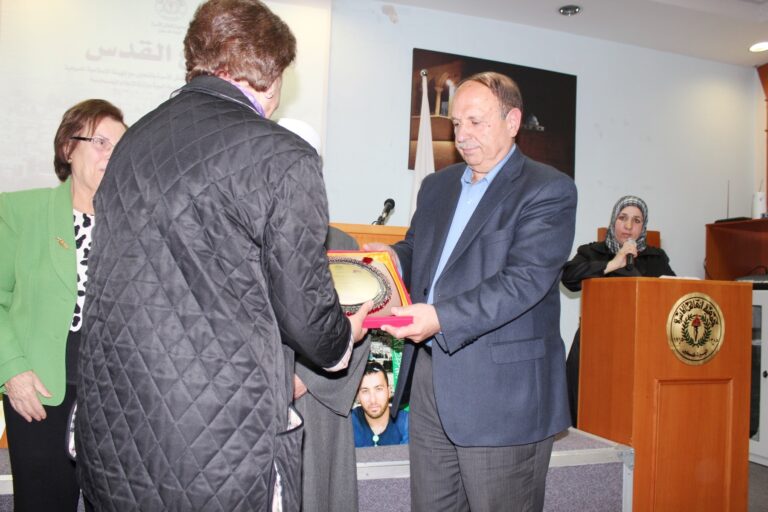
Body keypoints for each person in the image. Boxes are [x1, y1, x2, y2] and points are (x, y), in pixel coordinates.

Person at [76, 1, 370, 511]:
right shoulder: (282, 156)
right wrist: (342, 338)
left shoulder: (132, 143)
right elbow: (305, 316)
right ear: (271, 74)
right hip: (216, 437)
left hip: (115, 422)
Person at [366, 71, 577, 512]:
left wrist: (439, 317)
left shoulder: (548, 189)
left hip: (504, 396)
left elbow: (523, 281)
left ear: (512, 121)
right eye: (457, 124)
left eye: (476, 122)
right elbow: (419, 250)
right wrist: (392, 260)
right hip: (431, 386)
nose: (462, 135)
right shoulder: (437, 186)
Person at [0, 99, 126, 512]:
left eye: (119, 146)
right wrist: (12, 371)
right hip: (40, 390)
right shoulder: (20, 211)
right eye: (100, 142)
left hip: (114, 394)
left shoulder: (135, 224)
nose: (111, 155)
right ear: (68, 148)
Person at [561, 195, 675, 425]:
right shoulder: (592, 252)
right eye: (623, 218)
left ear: (643, 226)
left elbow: (671, 293)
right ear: (614, 221)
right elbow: (568, 277)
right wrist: (613, 263)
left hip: (640, 344)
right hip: (595, 342)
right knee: (587, 409)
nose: (629, 226)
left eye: (637, 220)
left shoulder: (656, 257)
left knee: (628, 411)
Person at [350, 361, 408, 448]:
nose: (373, 400)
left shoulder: (406, 422)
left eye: (378, 389)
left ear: (389, 391)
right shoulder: (349, 423)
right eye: (365, 391)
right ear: (358, 396)